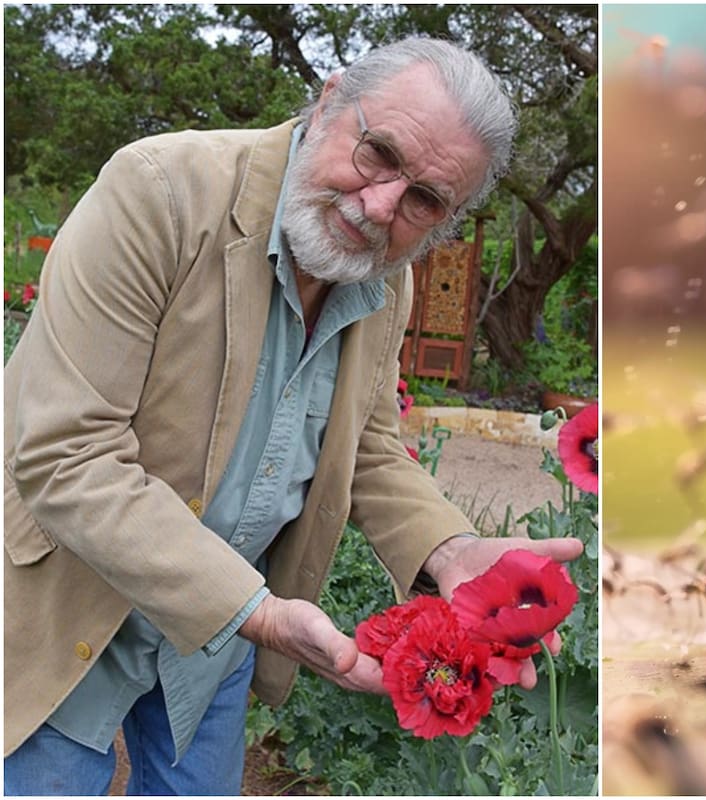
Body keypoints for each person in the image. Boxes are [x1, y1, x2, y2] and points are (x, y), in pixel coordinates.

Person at [3, 36, 584, 795]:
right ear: (329, 99)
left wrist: (453, 551)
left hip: (214, 643)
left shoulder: (385, 277)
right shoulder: (159, 193)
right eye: (378, 152)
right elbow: (67, 456)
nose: (380, 206)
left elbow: (368, 446)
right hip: (79, 600)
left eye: (424, 200)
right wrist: (262, 613)